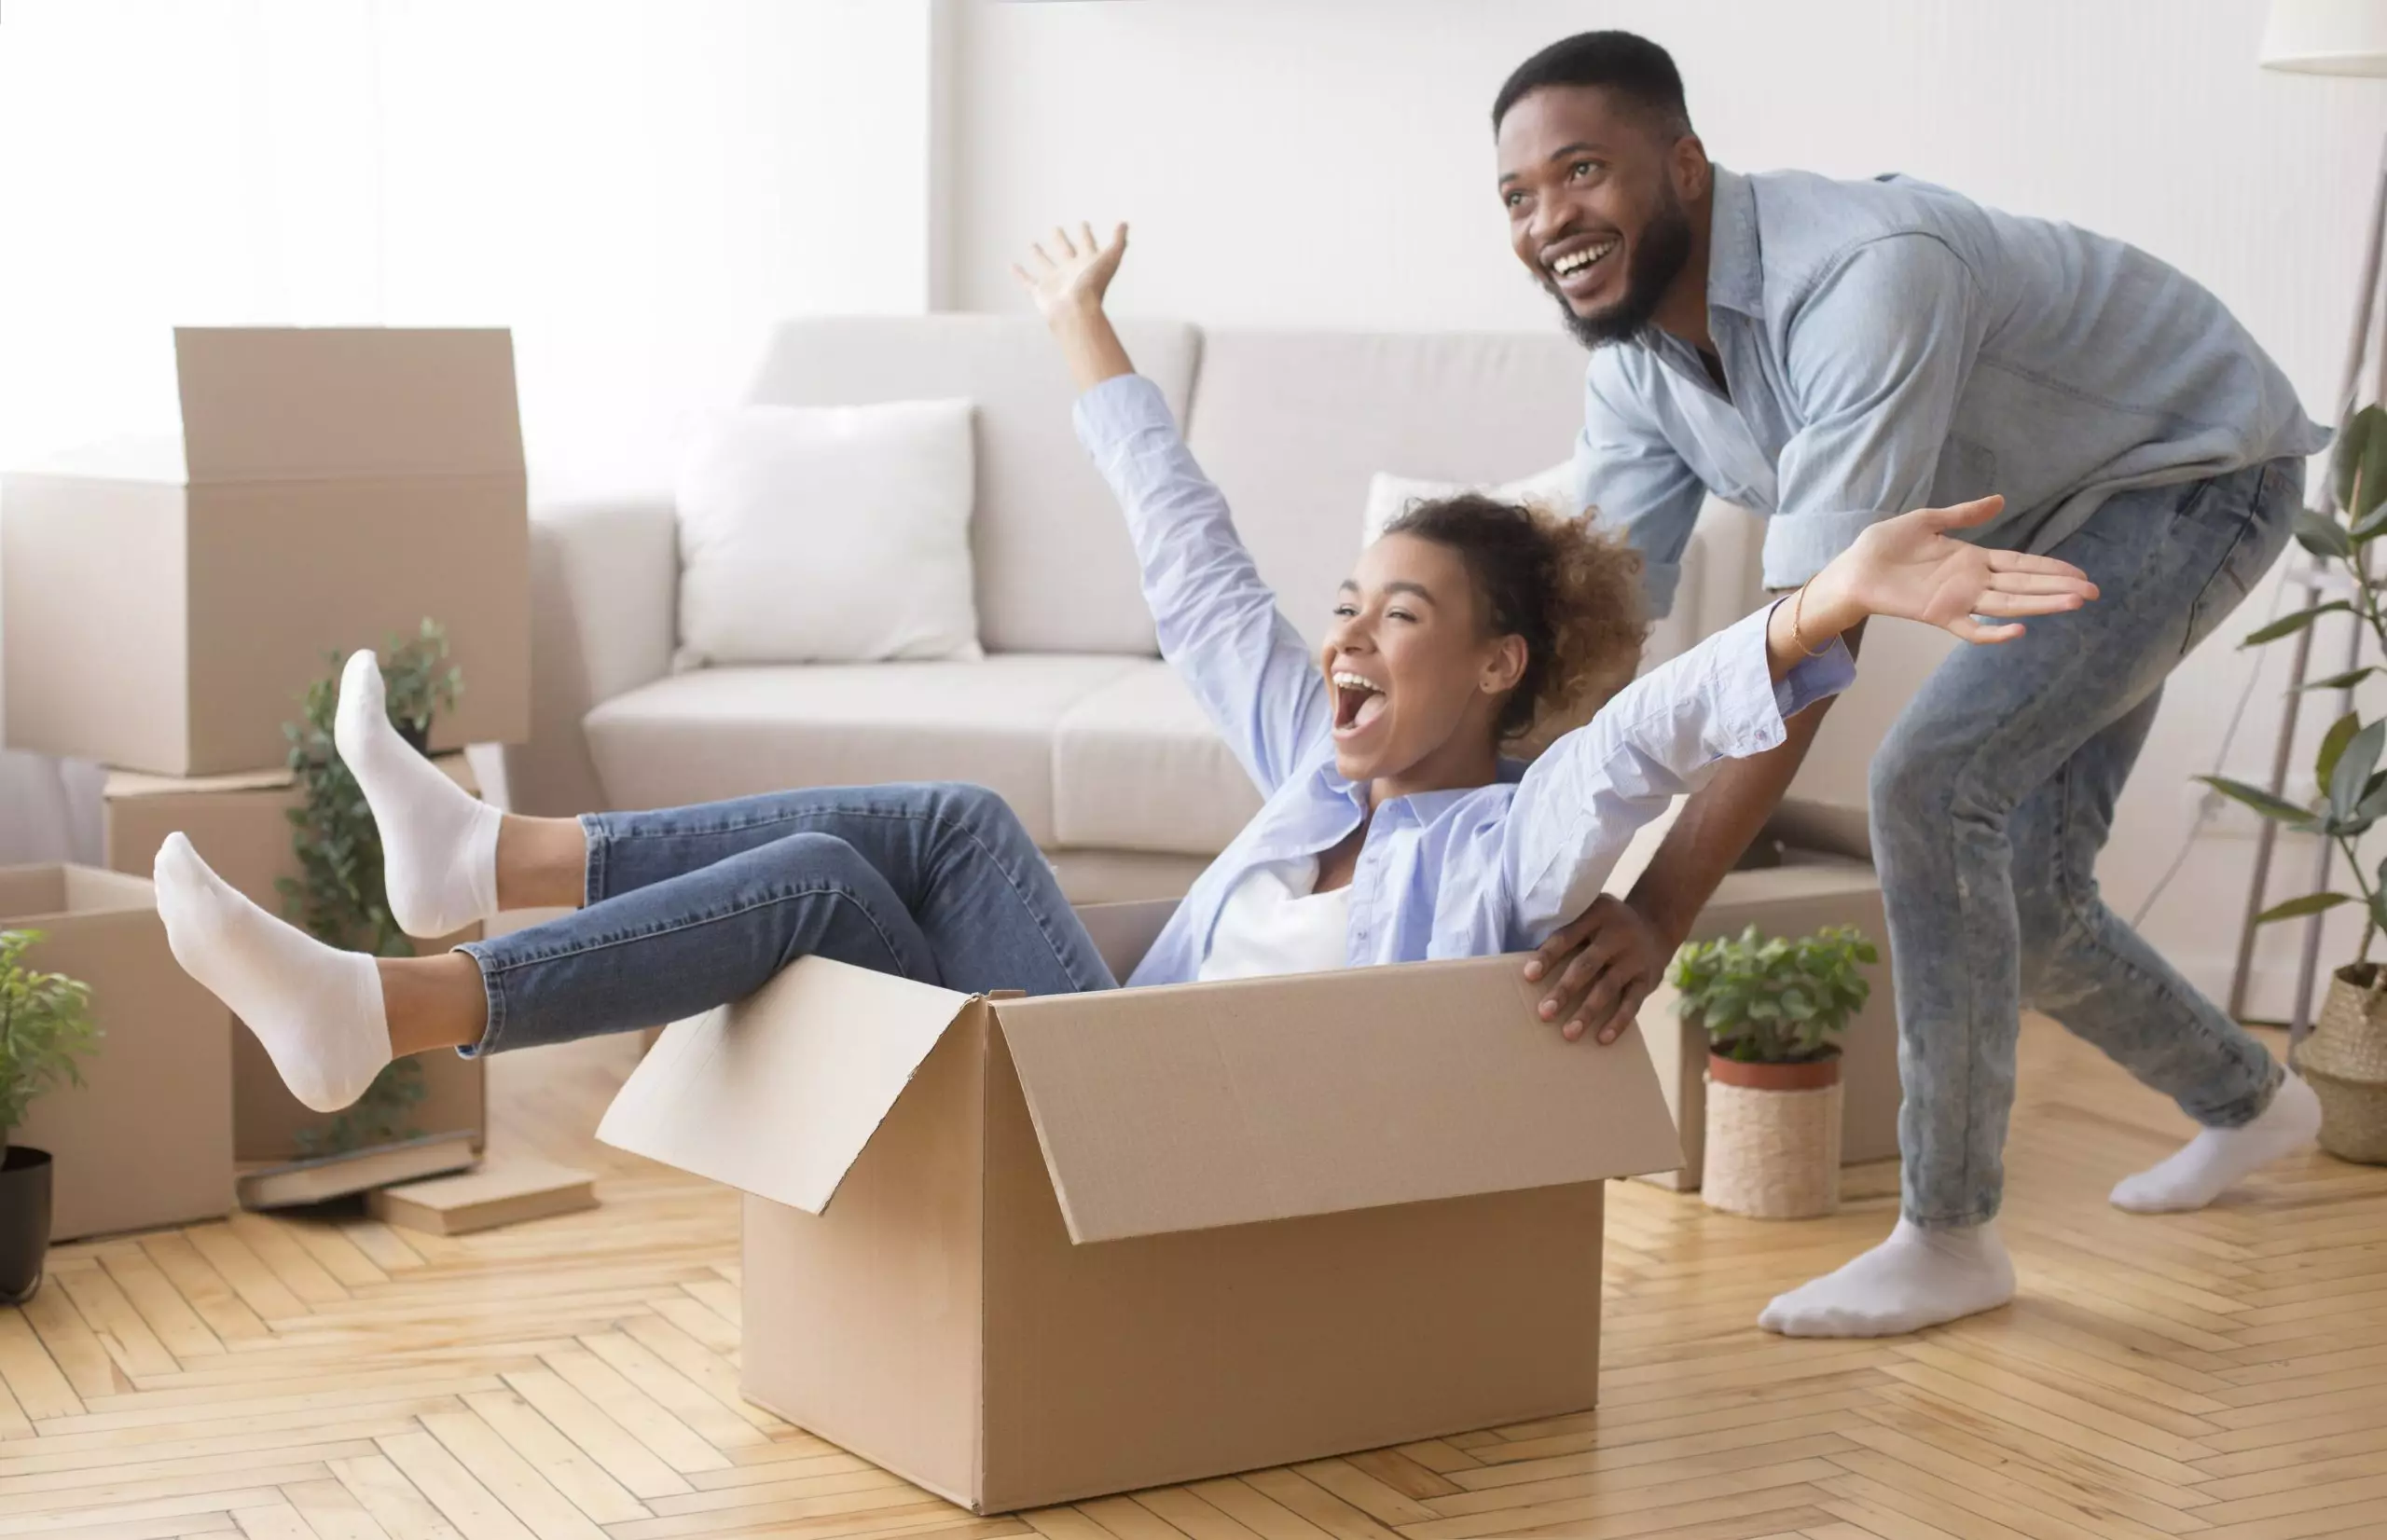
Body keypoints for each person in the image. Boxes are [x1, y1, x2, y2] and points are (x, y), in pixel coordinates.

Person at [147, 225, 2091, 1141]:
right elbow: (1191, 556)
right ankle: (456, 903)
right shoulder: (1304, 776)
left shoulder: (1507, 839)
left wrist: (1826, 593)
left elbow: (1662, 727)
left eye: (1395, 616)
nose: (1340, 637)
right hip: (1092, 1052)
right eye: (1348, 604)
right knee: (860, 858)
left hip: (1144, 1107)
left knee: (887, 852)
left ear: (1498, 665)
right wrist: (1079, 332)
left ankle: (437, 934)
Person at [1494, 31, 2331, 1337]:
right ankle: (2252, 1100)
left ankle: (1950, 1237)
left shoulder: (1864, 280)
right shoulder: (1637, 365)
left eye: (1582, 171)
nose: (1552, 220)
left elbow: (1810, 643)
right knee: (2028, 894)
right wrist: (1474, 798)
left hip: (2189, 467)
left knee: (1934, 788)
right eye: (1518, 196)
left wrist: (1660, 912)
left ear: (1686, 167)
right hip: (2050, 512)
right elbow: (1598, 627)